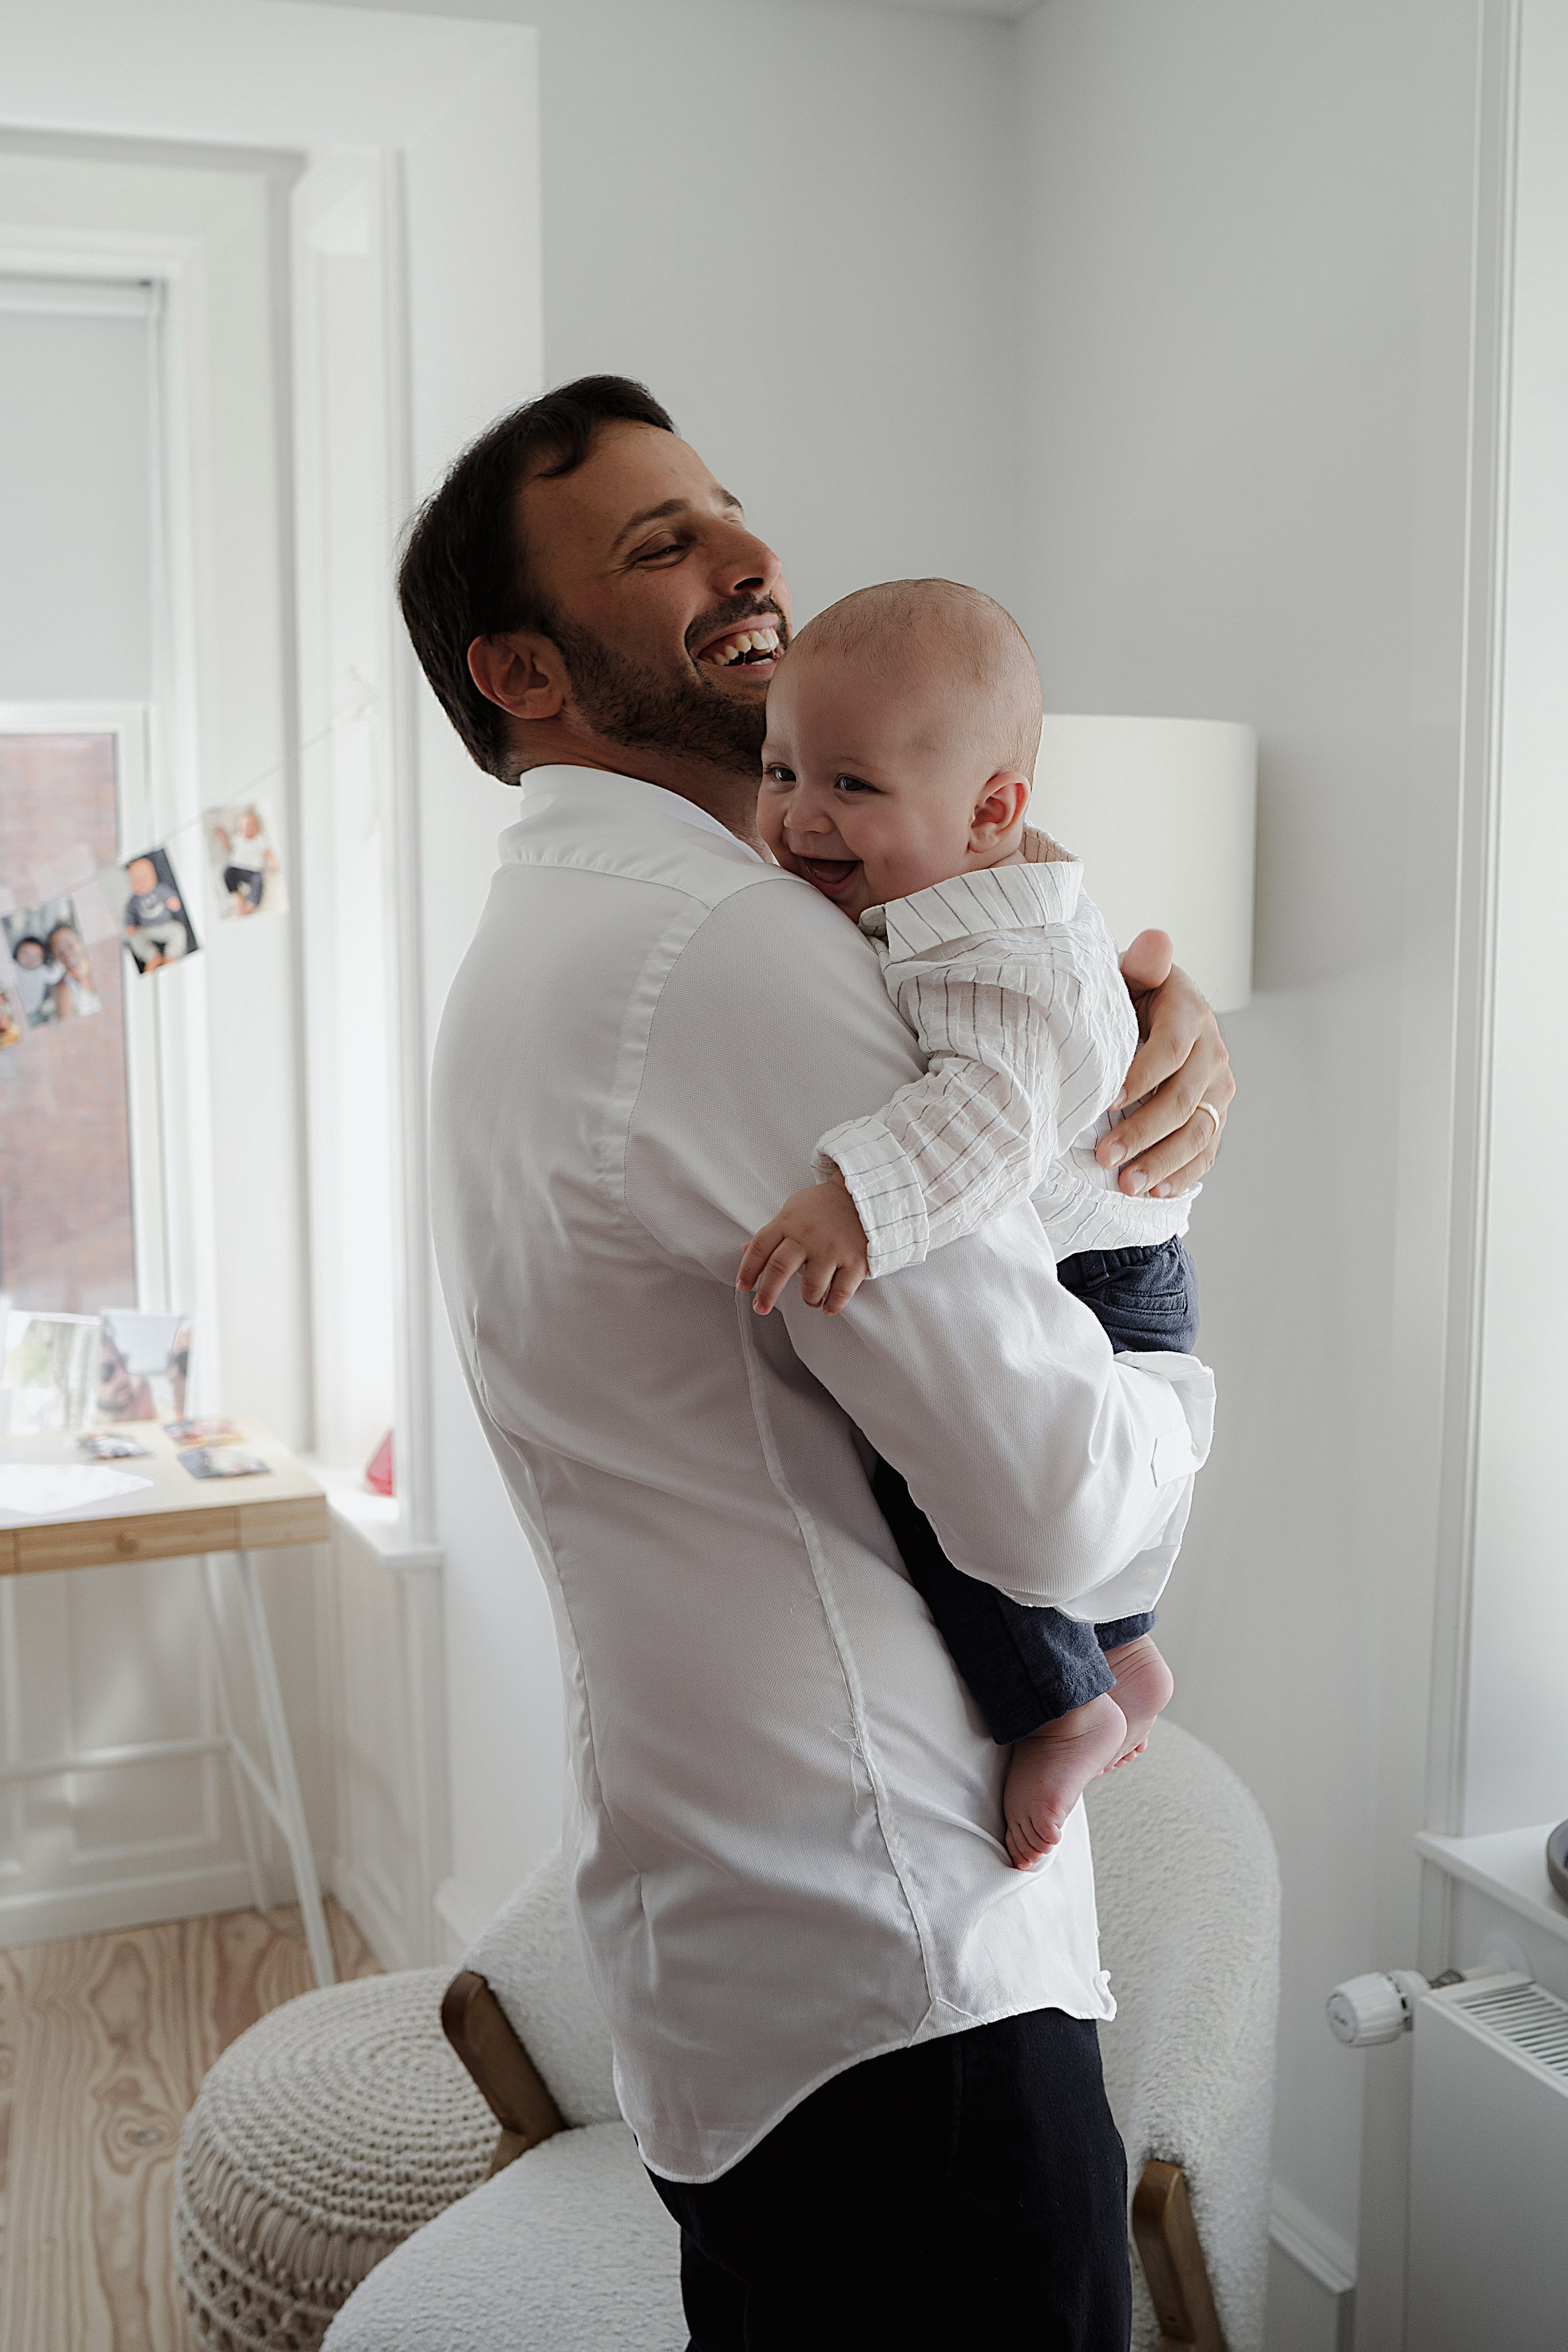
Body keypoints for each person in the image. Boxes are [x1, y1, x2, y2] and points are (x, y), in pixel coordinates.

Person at [399, 376, 1232, 2348]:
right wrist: (1165, 1295)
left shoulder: (555, 943)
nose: (748, 556)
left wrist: (1123, 1039)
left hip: (738, 1966)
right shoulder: (730, 957)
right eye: (656, 542)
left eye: (728, 509)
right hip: (901, 1979)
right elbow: (1059, 1505)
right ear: (520, 667)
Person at [737, 579, 1199, 1872]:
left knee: (938, 1473)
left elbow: (983, 1118)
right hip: (1118, 1250)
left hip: (1105, 1273)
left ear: (992, 812)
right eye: (779, 772)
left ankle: (1061, 1706)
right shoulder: (969, 899)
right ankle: (1126, 1657)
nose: (798, 816)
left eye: (850, 787)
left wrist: (856, 1203)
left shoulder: (992, 961)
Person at [123, 854, 189, 968]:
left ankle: (171, 956)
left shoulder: (160, 890)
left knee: (179, 930)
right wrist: (130, 925)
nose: (141, 883)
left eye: (145, 878)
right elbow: (129, 914)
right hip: (146, 930)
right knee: (133, 937)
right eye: (136, 880)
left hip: (165, 925)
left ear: (154, 877)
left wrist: (173, 902)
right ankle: (152, 957)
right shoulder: (134, 900)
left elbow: (172, 898)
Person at [45, 923, 101, 1021]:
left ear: (82, 942)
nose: (66, 954)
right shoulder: (63, 990)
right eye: (59, 952)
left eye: (69, 945)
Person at [8, 933, 63, 1025]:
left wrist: (59, 961)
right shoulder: (13, 967)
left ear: (43, 959)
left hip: (33, 1010)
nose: (31, 959)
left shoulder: (41, 971)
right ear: (16, 953)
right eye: (26, 954)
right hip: (11, 1007)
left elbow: (55, 976)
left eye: (37, 956)